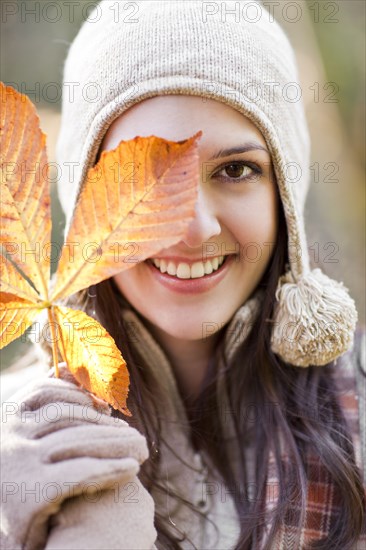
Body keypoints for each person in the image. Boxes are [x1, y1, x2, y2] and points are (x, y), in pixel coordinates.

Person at [1, 1, 365, 549]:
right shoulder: (19, 440)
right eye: (145, 175)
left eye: (236, 170)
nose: (192, 227)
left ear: (283, 198)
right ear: (84, 205)